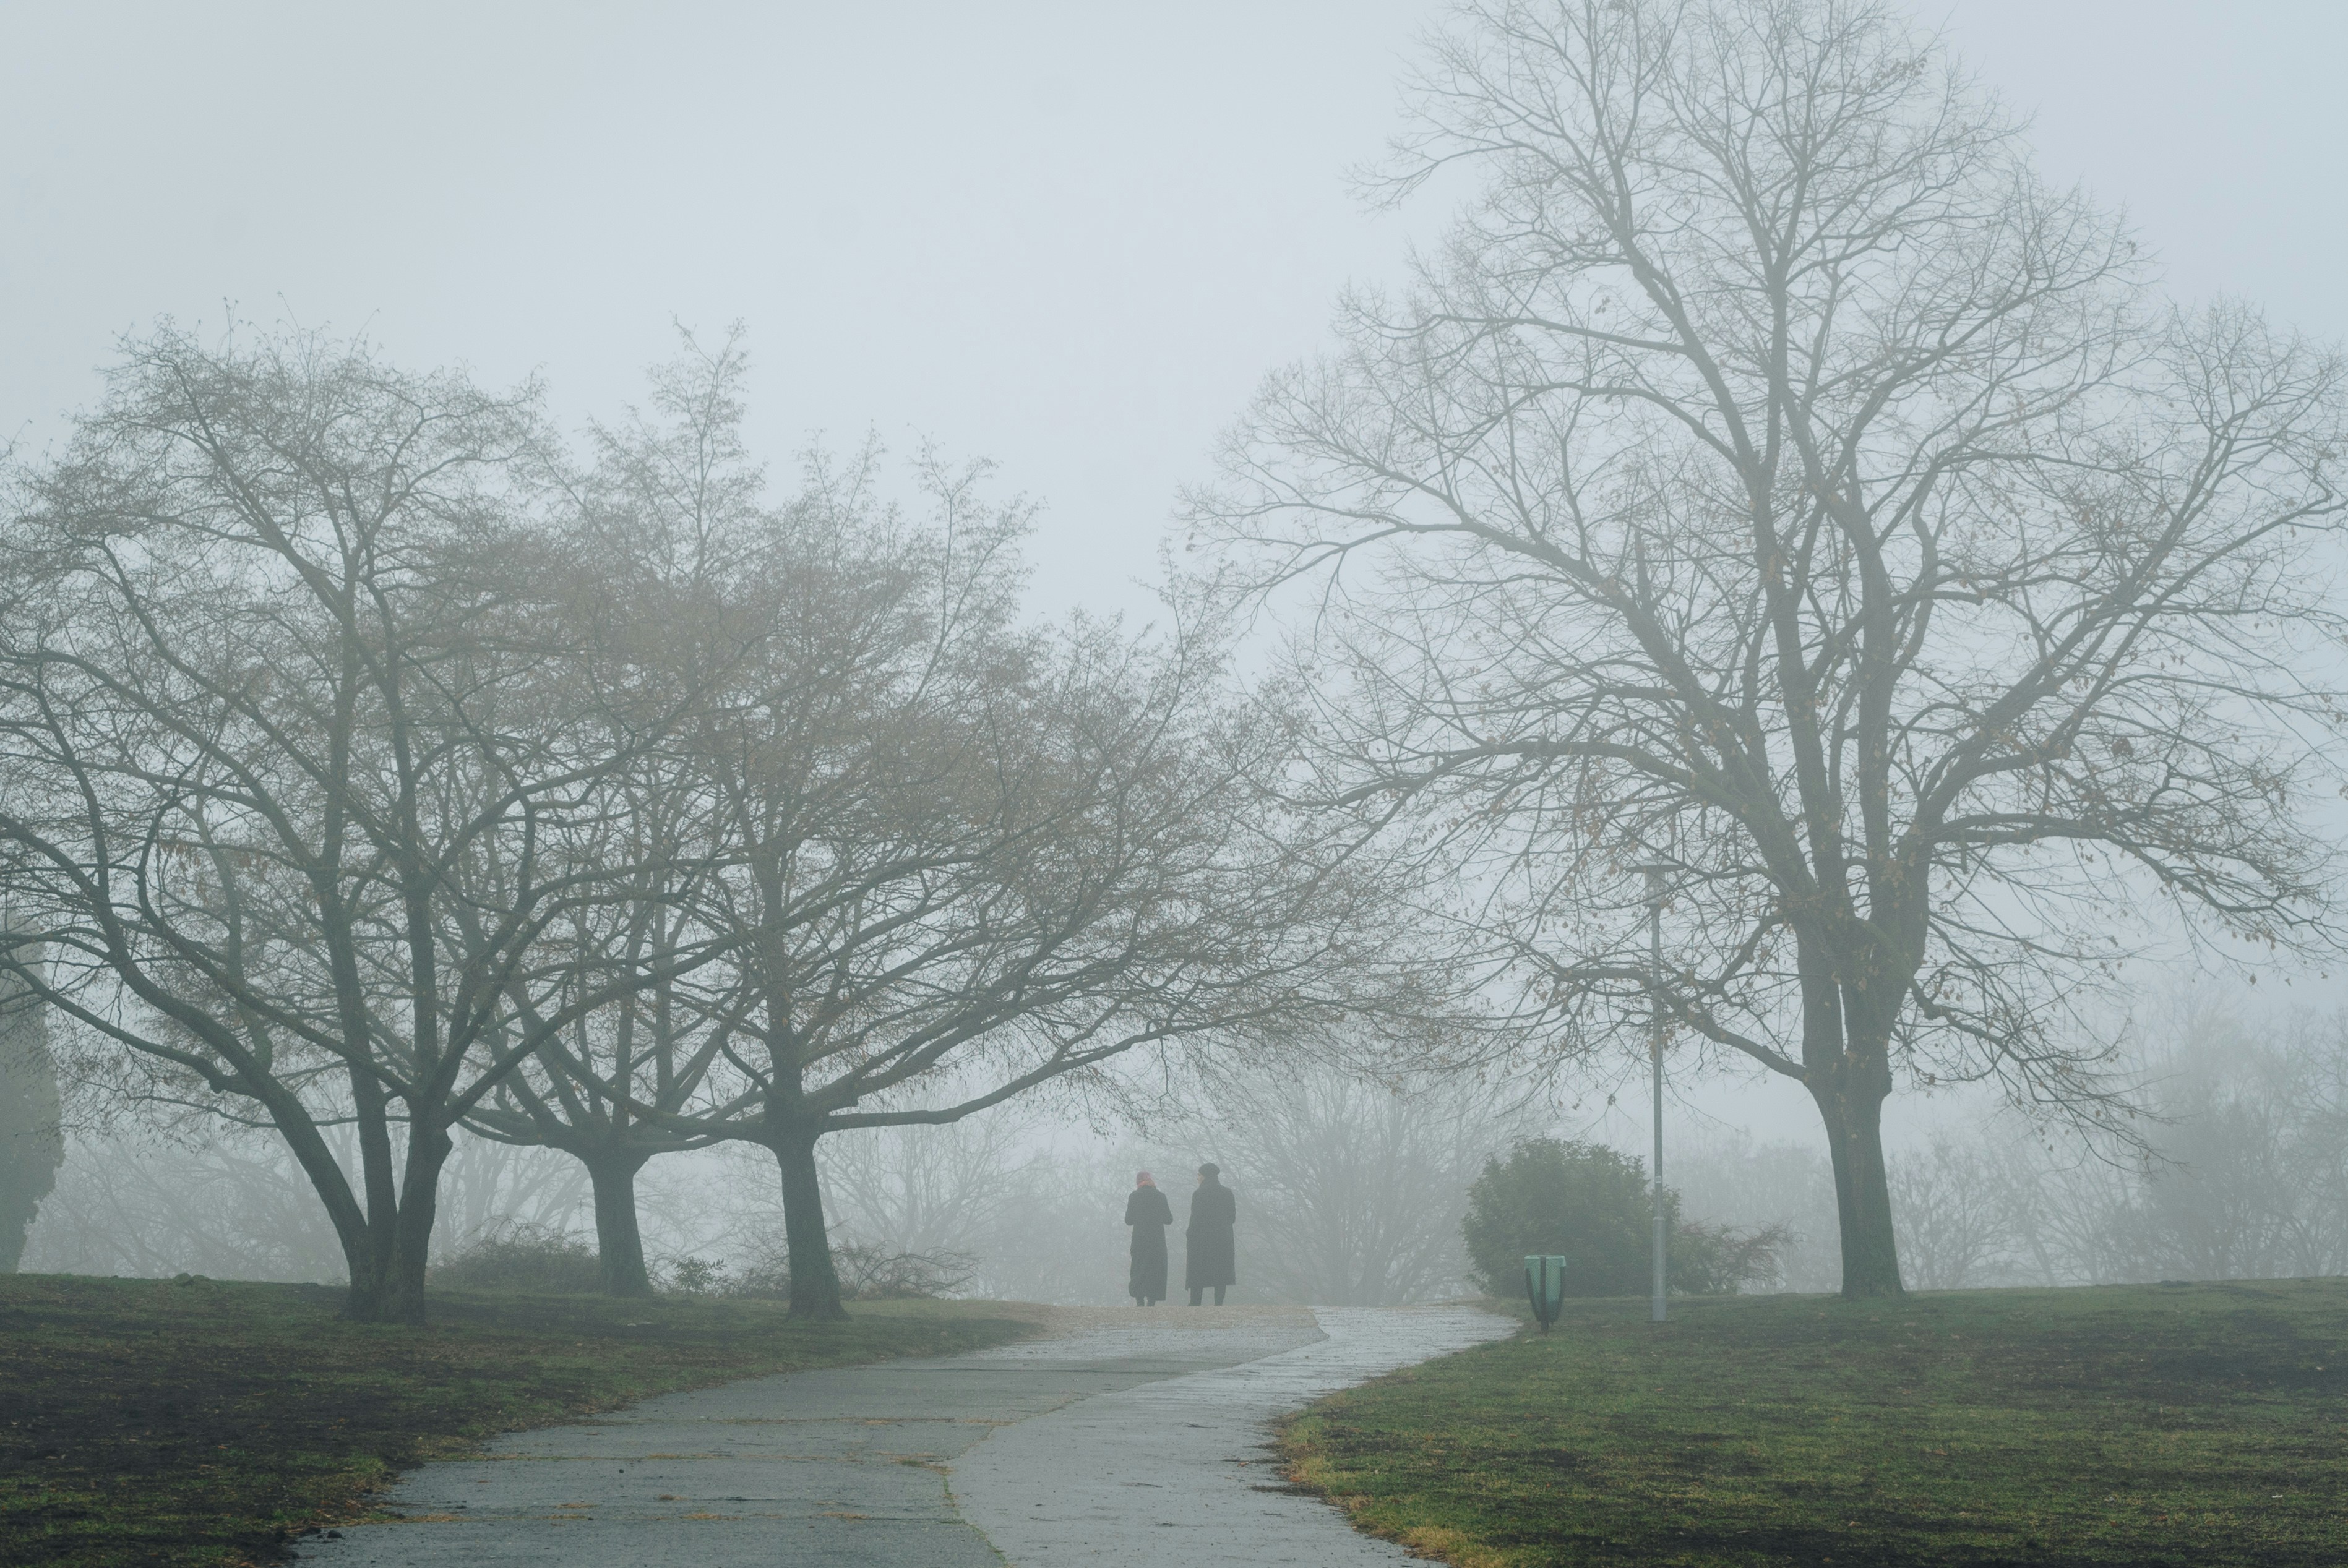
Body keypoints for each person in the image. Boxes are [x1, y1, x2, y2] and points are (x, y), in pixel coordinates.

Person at [1184, 1162, 1236, 1306]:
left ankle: (1195, 1302)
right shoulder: (1227, 1193)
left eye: (1199, 1175)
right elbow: (1232, 1218)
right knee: (1221, 1270)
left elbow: (1195, 1219)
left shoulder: (1199, 1194)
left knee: (1198, 1269)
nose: (1198, 1178)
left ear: (1205, 1176)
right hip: (1223, 1239)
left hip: (1202, 1240)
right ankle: (1219, 1302)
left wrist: (1190, 1234)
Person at [1125, 1171, 1173, 1306]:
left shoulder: (1134, 1197)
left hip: (1139, 1239)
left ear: (1138, 1182)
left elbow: (1129, 1220)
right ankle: (1152, 1301)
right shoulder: (1160, 1196)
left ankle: (1139, 1299)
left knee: (1139, 1267)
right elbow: (1169, 1219)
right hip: (1157, 1240)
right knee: (1156, 1268)